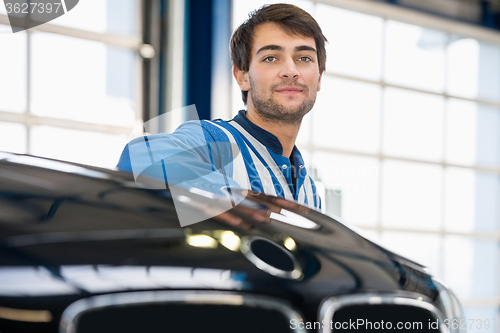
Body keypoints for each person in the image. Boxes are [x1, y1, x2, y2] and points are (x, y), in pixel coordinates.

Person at [117, 3, 327, 210]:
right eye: (271, 58)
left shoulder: (309, 191)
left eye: (304, 58)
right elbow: (139, 158)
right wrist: (226, 197)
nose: (290, 71)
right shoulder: (216, 142)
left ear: (318, 79)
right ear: (242, 76)